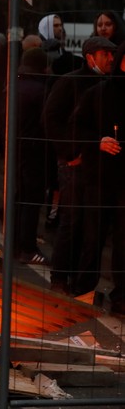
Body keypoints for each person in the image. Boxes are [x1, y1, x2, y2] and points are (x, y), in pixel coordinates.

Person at [43, 36, 116, 294]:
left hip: (97, 166)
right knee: (72, 220)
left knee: (92, 227)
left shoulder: (109, 84)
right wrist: (69, 152)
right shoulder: (71, 82)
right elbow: (51, 119)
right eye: (105, 54)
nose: (110, 59)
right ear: (90, 57)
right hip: (74, 163)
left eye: (112, 54)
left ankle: (83, 286)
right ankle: (60, 278)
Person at [70, 44, 125, 312]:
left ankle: (121, 295)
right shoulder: (98, 93)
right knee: (94, 236)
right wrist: (97, 141)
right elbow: (77, 126)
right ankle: (85, 290)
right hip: (100, 177)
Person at [13, 46, 51, 264]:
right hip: (35, 149)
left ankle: (15, 245)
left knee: (18, 197)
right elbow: (46, 122)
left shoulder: (13, 86)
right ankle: (28, 247)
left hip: (14, 147)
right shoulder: (41, 90)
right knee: (31, 200)